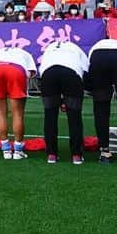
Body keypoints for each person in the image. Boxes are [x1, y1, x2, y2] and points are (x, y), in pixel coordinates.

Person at [37, 35, 88, 165]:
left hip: (48, 75)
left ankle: (51, 154)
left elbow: (41, 69)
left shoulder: (50, 48)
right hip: (70, 74)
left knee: (50, 116)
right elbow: (85, 69)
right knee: (74, 116)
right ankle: (76, 154)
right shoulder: (75, 48)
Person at [0, 45, 36, 159]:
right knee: (18, 114)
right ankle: (18, 150)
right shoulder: (25, 53)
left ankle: (6, 150)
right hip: (15, 70)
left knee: (0, 113)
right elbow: (31, 73)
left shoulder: (0, 51)